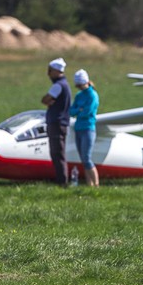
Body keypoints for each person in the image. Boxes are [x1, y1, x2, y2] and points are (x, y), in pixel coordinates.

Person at [41, 57, 71, 187]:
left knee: (57, 154)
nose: (48, 74)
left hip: (57, 123)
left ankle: (62, 181)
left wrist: (49, 102)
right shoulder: (64, 84)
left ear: (56, 71)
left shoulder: (58, 86)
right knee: (58, 153)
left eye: (50, 71)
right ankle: (61, 179)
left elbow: (45, 99)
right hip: (61, 122)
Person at [69, 69, 100, 187]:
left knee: (87, 158)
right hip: (78, 128)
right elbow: (71, 111)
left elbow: (88, 112)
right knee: (83, 159)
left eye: (80, 85)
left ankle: (96, 184)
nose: (78, 87)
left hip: (88, 128)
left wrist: (78, 111)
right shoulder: (79, 95)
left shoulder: (92, 95)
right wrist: (78, 110)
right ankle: (89, 185)